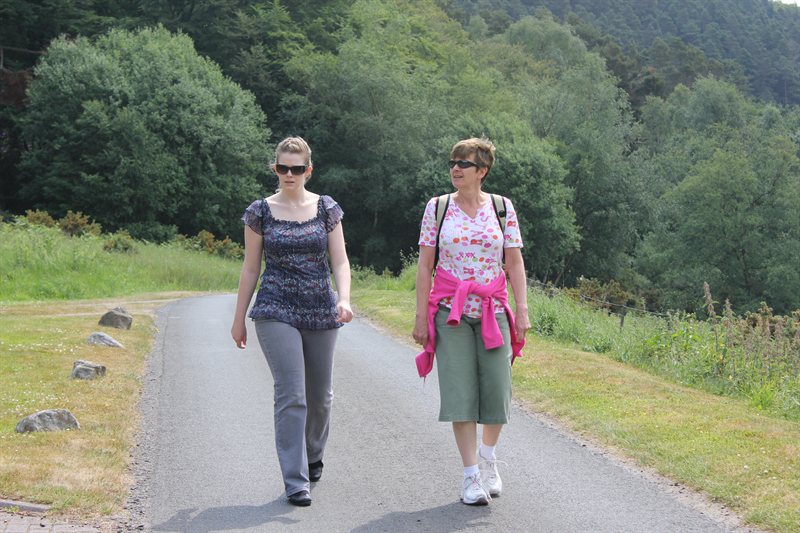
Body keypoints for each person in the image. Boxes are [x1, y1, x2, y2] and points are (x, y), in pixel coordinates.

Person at [231, 136, 353, 507]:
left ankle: (313, 454)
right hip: (275, 307)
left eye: (296, 168)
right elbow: (251, 268)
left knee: (320, 398)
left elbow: (341, 261)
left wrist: (344, 298)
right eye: (282, 167)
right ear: (275, 169)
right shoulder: (260, 212)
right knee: (292, 395)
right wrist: (239, 319)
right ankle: (295, 480)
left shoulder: (326, 208)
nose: (289, 174)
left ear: (308, 170)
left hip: (321, 307)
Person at [412, 137, 531, 506]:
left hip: (494, 309)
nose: (455, 168)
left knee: (498, 388)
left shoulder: (501, 208)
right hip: (451, 313)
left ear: (482, 171)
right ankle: (470, 477)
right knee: (459, 392)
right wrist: (420, 316)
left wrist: (522, 309)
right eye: (453, 162)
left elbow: (513, 262)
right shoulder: (437, 208)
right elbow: (425, 265)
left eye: (464, 163)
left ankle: (489, 459)